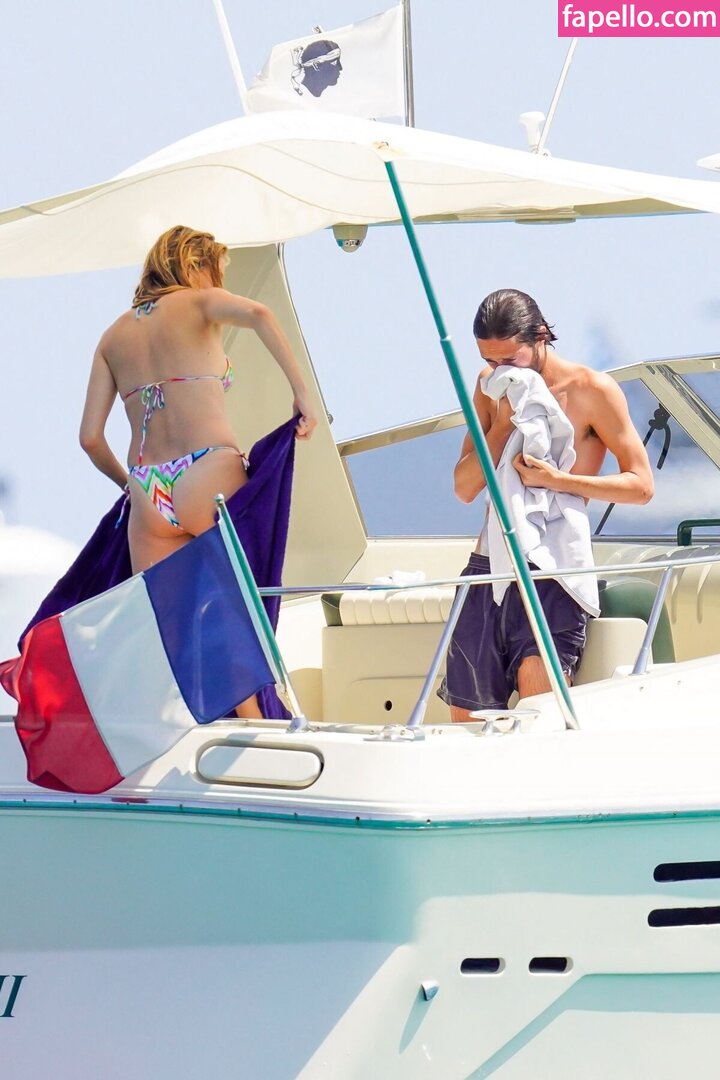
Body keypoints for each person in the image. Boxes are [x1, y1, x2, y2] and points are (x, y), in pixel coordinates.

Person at [79, 225, 317, 716]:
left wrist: (132, 487)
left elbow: (90, 438)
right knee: (238, 613)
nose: (218, 284)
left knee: (177, 635)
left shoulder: (111, 337)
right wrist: (303, 395)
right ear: (192, 265)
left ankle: (200, 734)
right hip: (206, 470)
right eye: (216, 272)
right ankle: (260, 727)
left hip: (148, 494)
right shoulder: (198, 301)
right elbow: (261, 314)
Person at [438, 288, 654, 722]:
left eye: (509, 359)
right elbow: (464, 488)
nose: (500, 369)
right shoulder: (489, 388)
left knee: (540, 707)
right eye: (489, 360)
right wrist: (502, 426)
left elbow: (641, 486)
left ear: (540, 337)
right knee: (466, 721)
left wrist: (558, 481)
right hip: (490, 564)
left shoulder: (592, 390)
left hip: (554, 567)